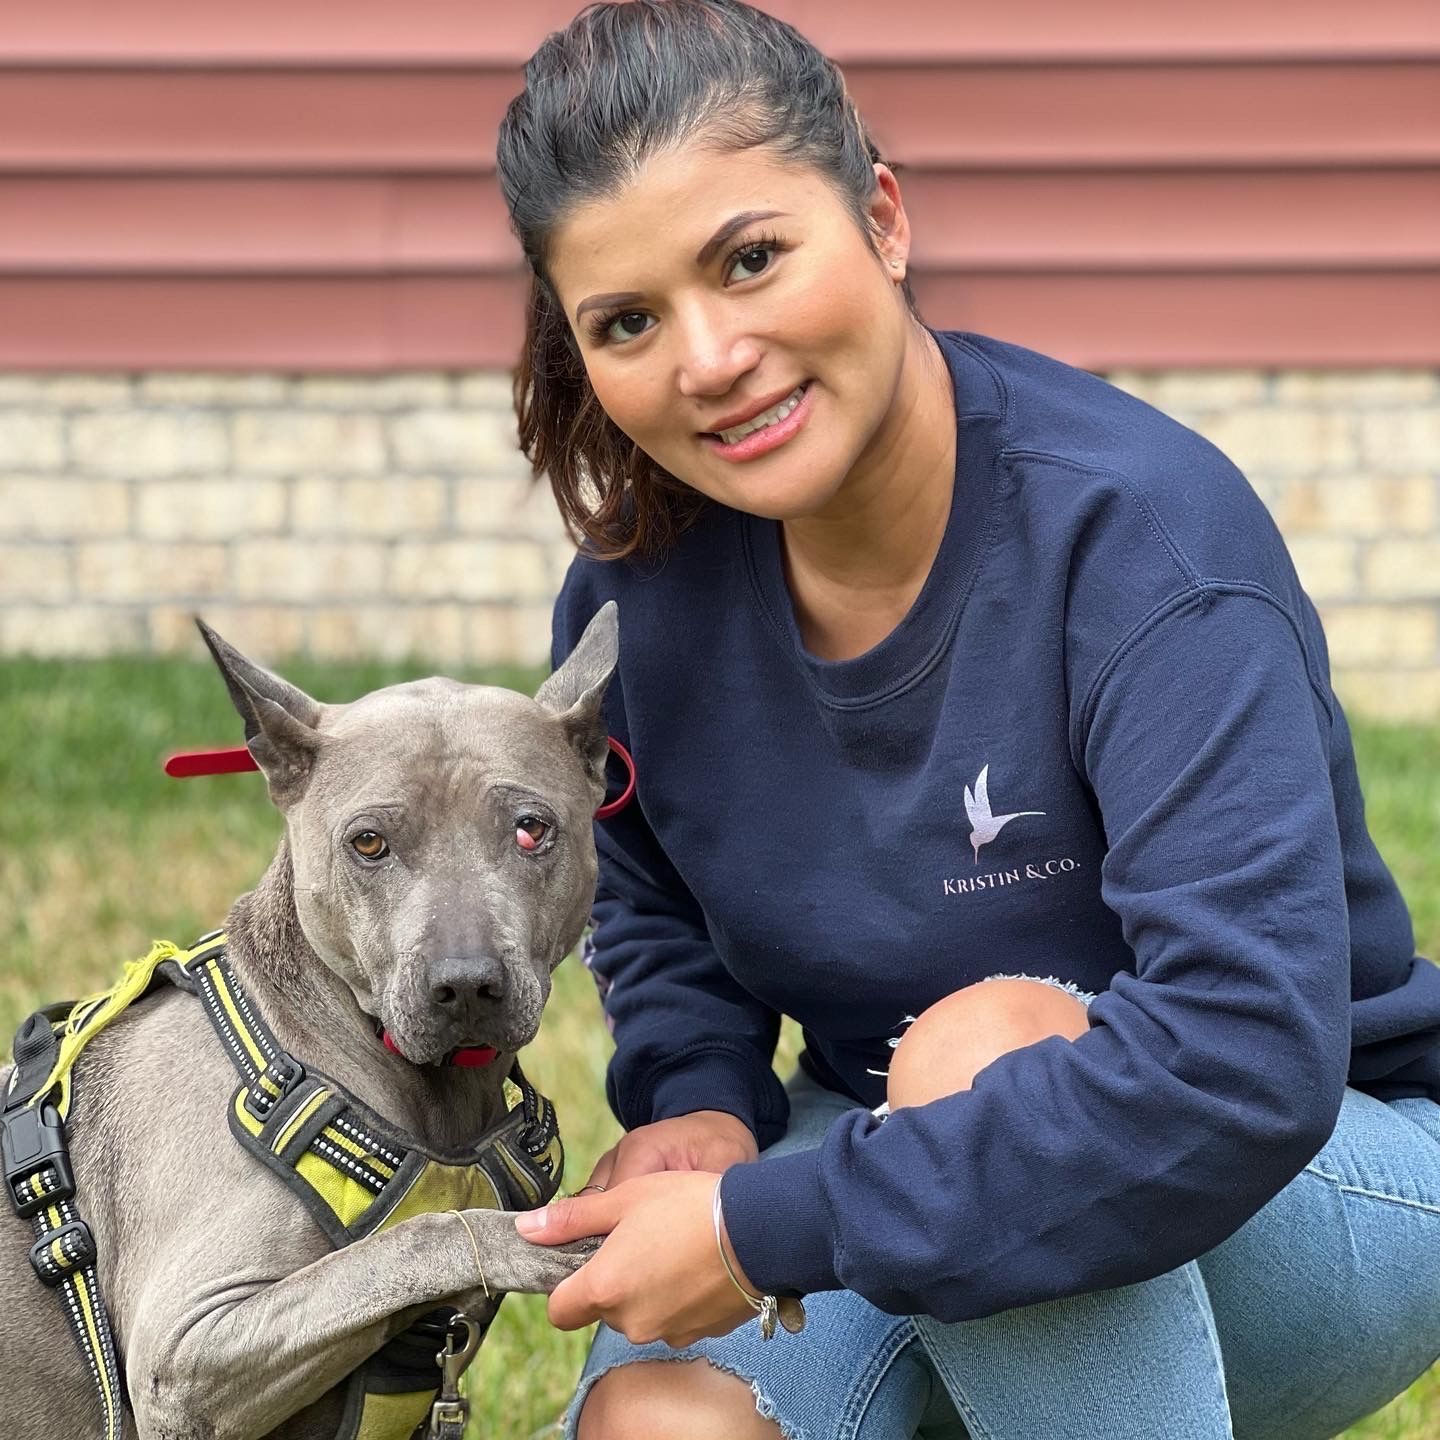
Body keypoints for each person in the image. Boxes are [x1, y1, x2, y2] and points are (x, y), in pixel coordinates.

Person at [496, 3, 1440, 1436]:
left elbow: (1241, 1062)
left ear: (882, 218)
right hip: (886, 1157)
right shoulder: (640, 600)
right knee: (662, 1423)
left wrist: (762, 1230)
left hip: (1314, 1175)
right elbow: (654, 898)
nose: (705, 358)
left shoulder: (1137, 542)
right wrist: (705, 1102)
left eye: (751, 260)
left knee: (985, 1067)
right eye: (627, 322)